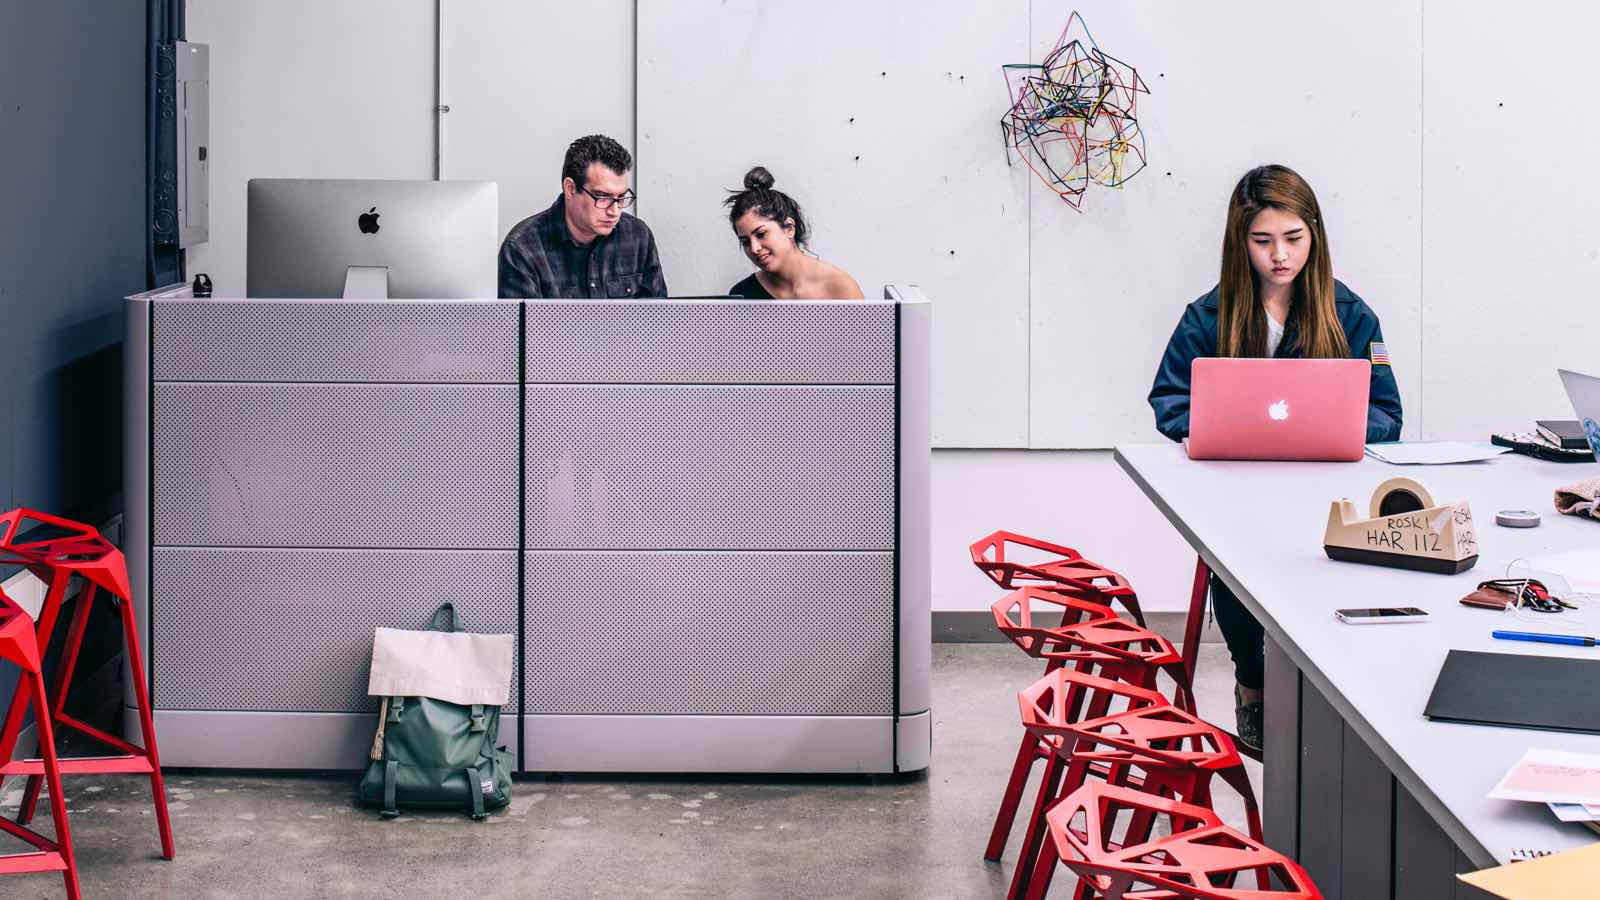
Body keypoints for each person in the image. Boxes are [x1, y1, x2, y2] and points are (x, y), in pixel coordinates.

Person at [1147, 164, 1403, 751]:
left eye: (1293, 239)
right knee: (1235, 563)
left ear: (1314, 236)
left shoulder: (1352, 314)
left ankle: (1328, 693)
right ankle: (1253, 688)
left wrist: (1332, 427)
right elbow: (1167, 398)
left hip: (1325, 494)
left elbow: (1388, 415)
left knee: (1323, 575)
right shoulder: (1206, 316)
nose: (1280, 256)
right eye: (1262, 242)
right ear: (1241, 244)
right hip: (1237, 493)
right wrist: (1211, 426)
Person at [498, 134, 668, 299]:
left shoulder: (638, 236)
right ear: (570, 189)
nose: (614, 211)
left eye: (621, 198)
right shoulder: (522, 249)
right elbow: (523, 328)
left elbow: (657, 321)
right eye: (603, 197)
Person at [724, 167, 863, 300]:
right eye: (745, 242)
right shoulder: (743, 294)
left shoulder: (840, 288)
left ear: (789, 228)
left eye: (761, 234)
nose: (754, 248)